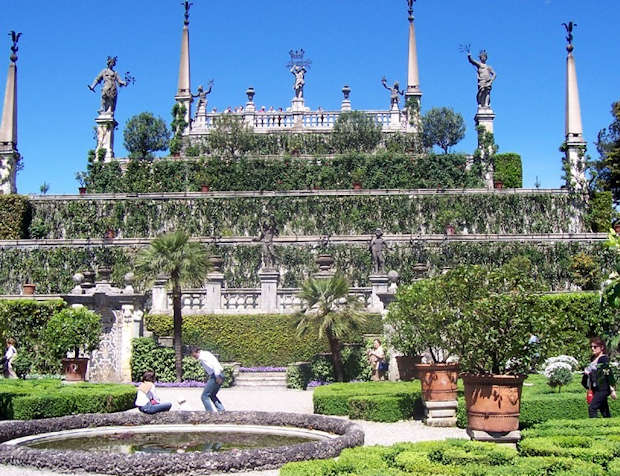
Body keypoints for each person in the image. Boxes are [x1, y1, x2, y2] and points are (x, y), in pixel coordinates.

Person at [582, 337, 616, 418]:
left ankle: (594, 428)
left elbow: (608, 373)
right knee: (604, 411)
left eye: (595, 347)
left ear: (602, 347)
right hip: (597, 388)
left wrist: (612, 390)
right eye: (591, 347)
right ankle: (608, 426)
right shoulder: (593, 358)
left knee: (592, 408)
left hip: (602, 389)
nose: (592, 349)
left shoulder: (603, 359)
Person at [191, 346, 225, 412]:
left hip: (216, 375)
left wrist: (217, 376)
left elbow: (214, 365)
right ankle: (221, 409)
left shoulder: (203, 356)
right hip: (220, 374)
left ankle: (209, 413)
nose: (194, 357)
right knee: (212, 395)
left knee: (204, 396)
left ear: (198, 352)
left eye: (194, 355)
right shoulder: (206, 354)